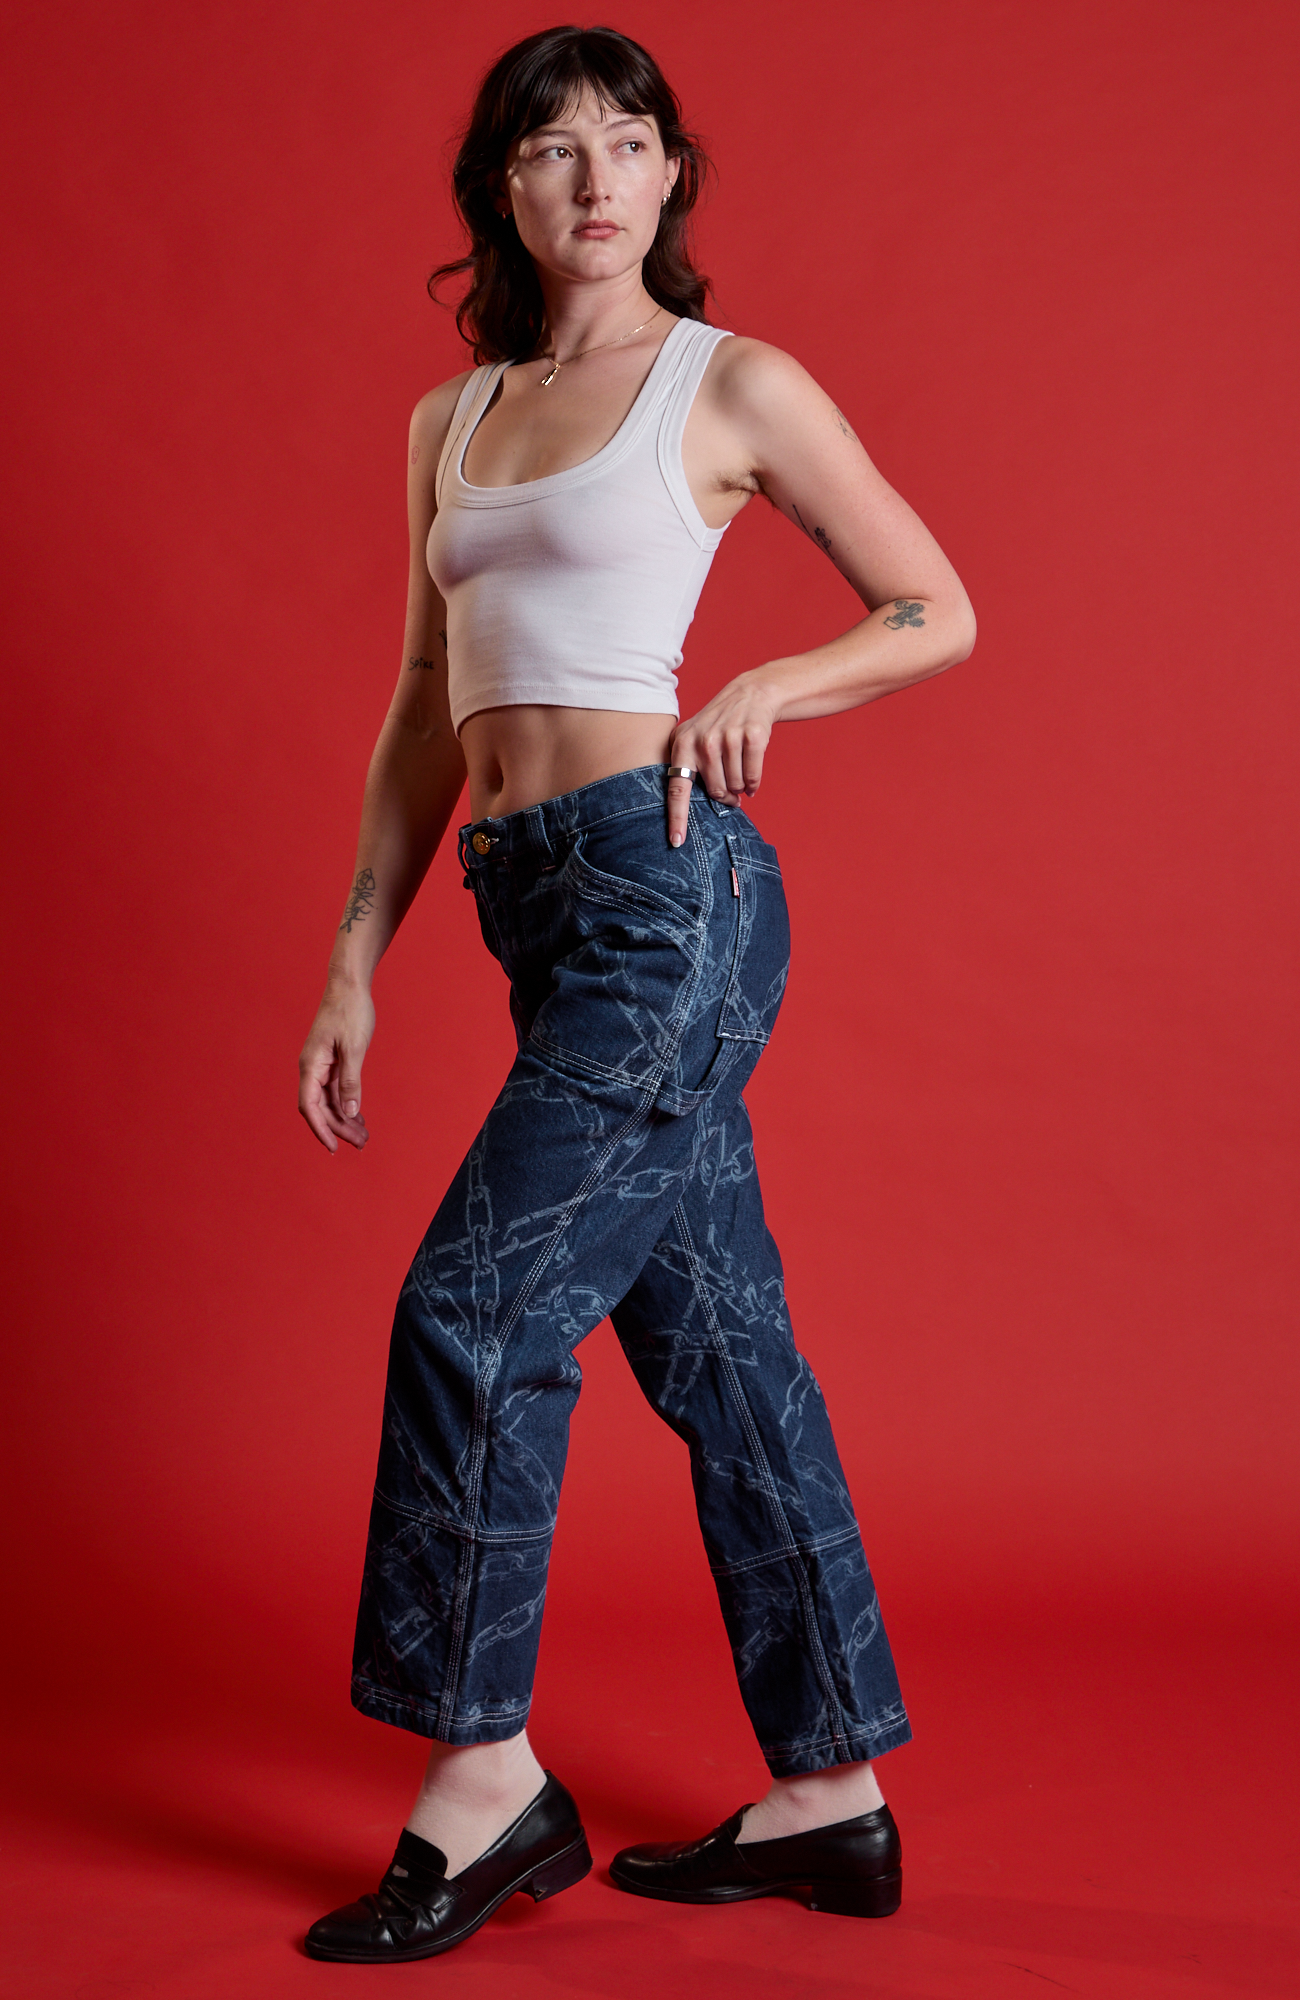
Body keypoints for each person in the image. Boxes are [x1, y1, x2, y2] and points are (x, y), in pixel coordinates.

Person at [296, 24, 975, 1965]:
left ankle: (480, 1779)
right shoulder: (452, 418)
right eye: (547, 147)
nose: (591, 175)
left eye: (625, 142)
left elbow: (936, 601)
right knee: (720, 1346)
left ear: (671, 177)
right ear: (500, 190)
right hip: (534, 907)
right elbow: (427, 709)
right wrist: (356, 949)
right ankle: (833, 1791)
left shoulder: (727, 381)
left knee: (473, 1305)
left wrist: (770, 684)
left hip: (666, 903)